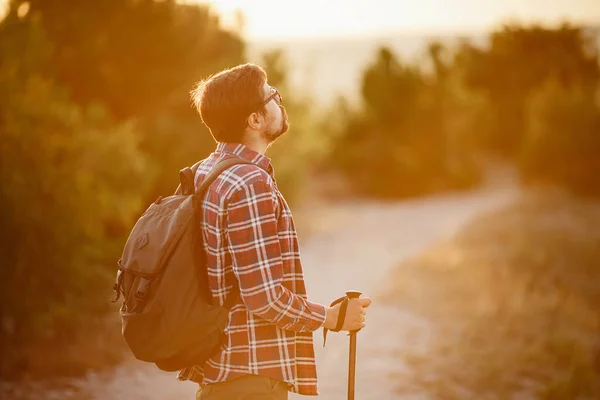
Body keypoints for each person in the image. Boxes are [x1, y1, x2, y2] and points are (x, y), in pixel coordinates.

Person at [177, 63, 372, 399]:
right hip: (250, 379)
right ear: (254, 119)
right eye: (273, 97)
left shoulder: (206, 173)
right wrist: (332, 318)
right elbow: (263, 296)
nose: (280, 103)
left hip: (221, 372)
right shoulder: (250, 183)